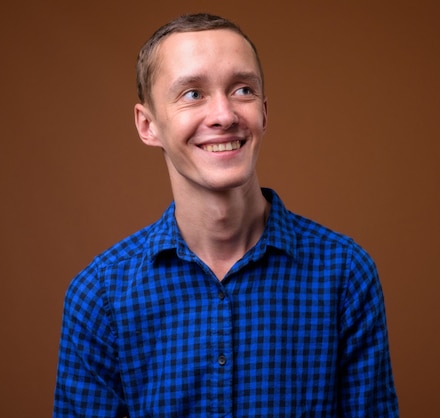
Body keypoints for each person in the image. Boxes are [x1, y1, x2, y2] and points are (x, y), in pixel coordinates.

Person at [54, 13, 399, 417]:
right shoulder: (99, 296)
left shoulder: (345, 274)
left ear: (265, 114)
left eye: (242, 89)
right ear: (148, 125)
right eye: (193, 94)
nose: (224, 115)